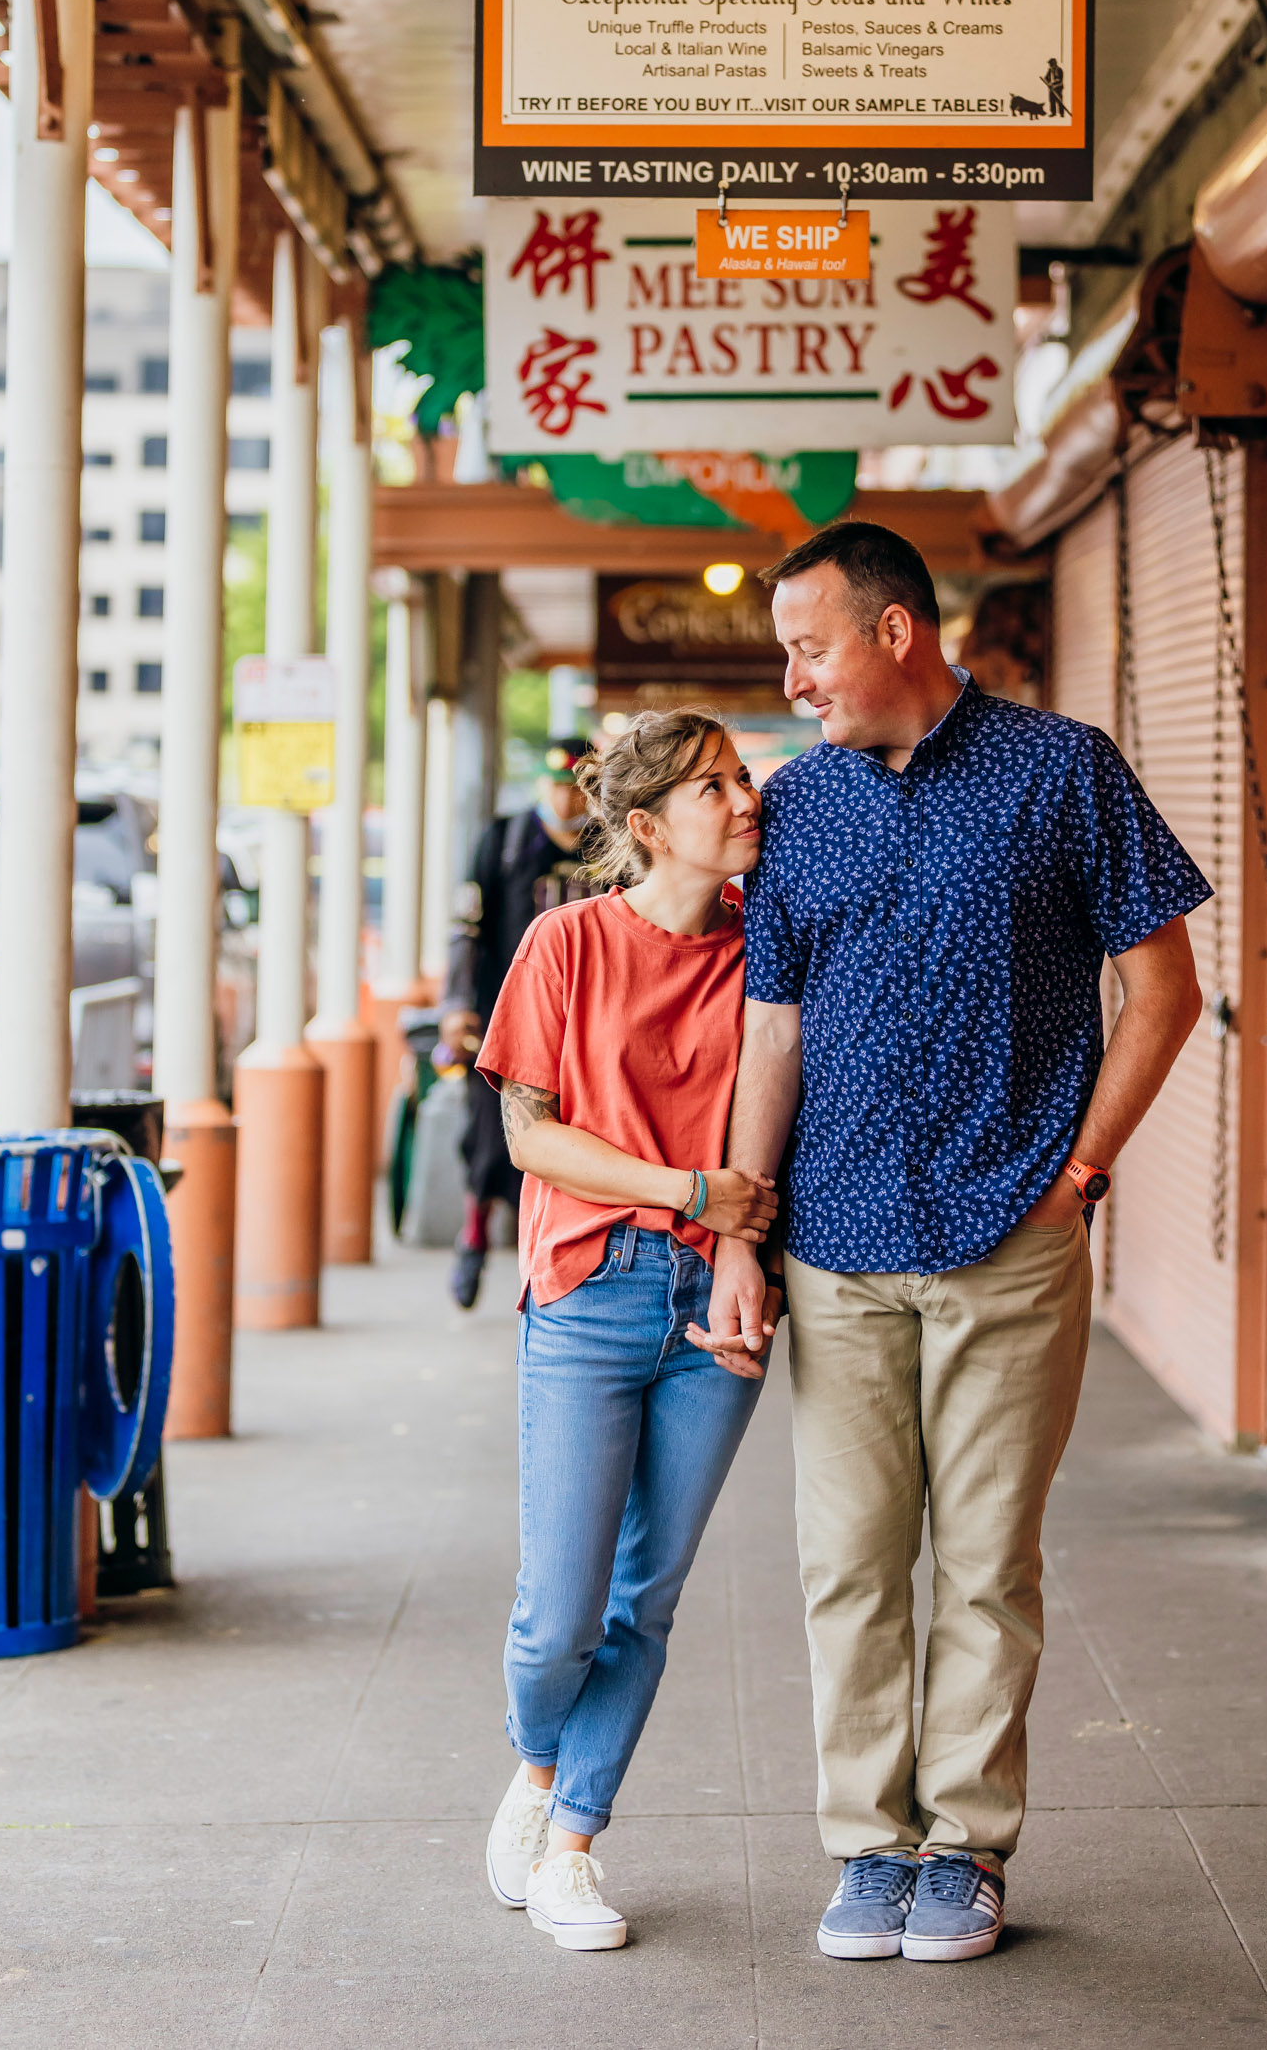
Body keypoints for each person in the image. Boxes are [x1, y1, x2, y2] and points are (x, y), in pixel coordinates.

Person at [689, 520, 1208, 1965]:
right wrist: (738, 1226)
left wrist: (1083, 1170)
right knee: (846, 1563)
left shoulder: (1063, 771)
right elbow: (770, 1029)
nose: (790, 677)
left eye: (806, 645)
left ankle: (962, 1849)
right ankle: (867, 1847)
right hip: (835, 1243)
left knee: (986, 1563)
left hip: (1010, 1236)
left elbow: (1163, 986)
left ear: (895, 632)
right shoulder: (793, 811)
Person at [474, 709, 778, 1952]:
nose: (743, 795)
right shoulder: (566, 942)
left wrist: (734, 1241)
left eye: (742, 774)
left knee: (643, 1600)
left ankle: (574, 1843)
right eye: (714, 785)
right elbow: (528, 1135)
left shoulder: (769, 951)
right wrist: (686, 1191)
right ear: (647, 825)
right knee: (559, 1610)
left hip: (719, 1299)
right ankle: (538, 1770)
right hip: (591, 1286)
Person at [440, 739, 600, 1309]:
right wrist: (457, 1005)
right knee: (488, 1139)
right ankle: (475, 1237)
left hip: (581, 1021)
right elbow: (467, 927)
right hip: (500, 1018)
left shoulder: (607, 844)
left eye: (576, 785)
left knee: (577, 1138)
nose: (564, 796)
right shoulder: (505, 840)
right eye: (556, 784)